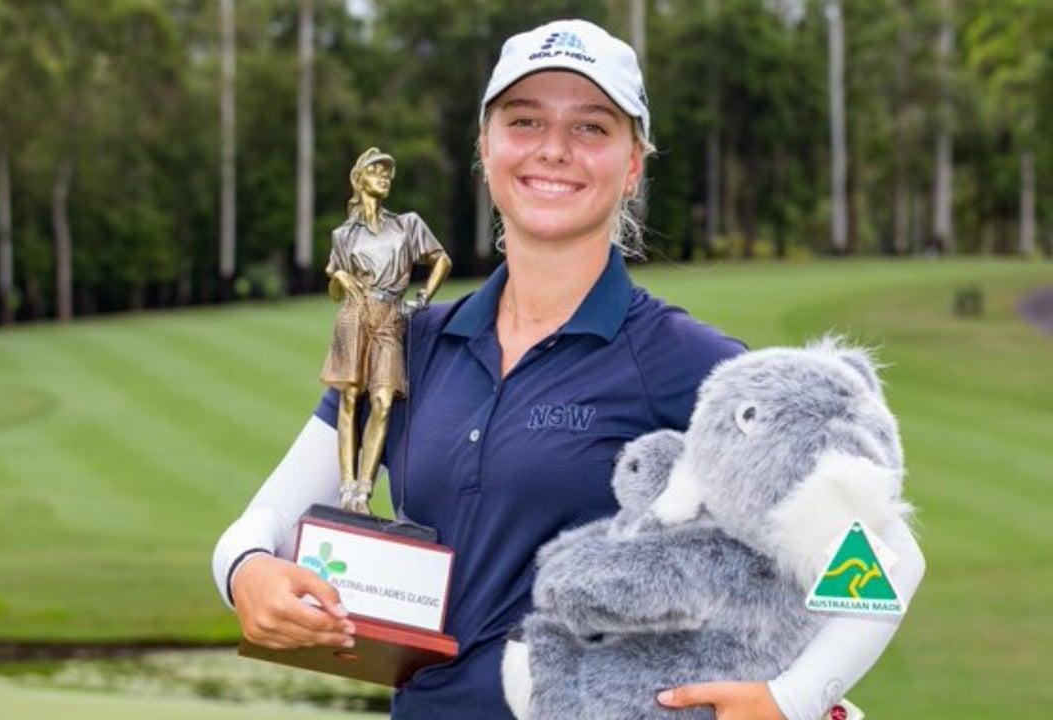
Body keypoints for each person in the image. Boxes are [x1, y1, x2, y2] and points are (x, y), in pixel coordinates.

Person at [212, 18, 924, 720]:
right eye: (523, 121)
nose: (554, 149)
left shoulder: (690, 363)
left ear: (633, 164)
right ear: (484, 149)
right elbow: (260, 526)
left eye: (591, 127)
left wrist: (793, 699)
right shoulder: (411, 343)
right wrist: (247, 573)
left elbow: (888, 559)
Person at [323, 147, 452, 513]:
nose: (384, 178)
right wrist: (340, 276)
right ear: (359, 179)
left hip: (390, 315)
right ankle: (350, 492)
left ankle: (364, 489)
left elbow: (441, 259)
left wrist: (423, 296)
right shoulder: (343, 235)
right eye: (376, 172)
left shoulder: (407, 224)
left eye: (387, 174)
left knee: (381, 401)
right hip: (353, 315)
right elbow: (335, 291)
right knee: (349, 398)